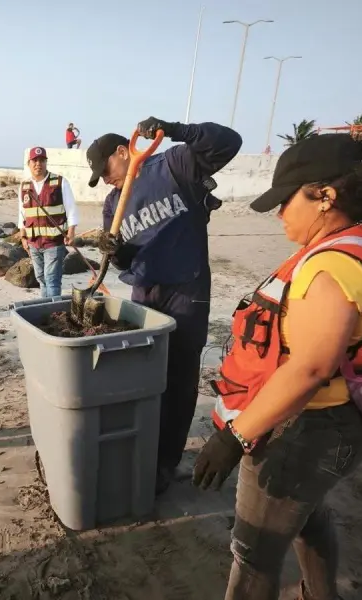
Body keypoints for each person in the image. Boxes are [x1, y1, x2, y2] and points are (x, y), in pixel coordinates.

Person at [193, 134, 362, 599]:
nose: (280, 213)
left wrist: (234, 436)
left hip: (307, 431)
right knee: (306, 517)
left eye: (286, 200)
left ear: (325, 196)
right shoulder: (342, 248)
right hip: (321, 425)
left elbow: (310, 369)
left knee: (254, 552)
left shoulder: (333, 269)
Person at [88, 117, 242, 494]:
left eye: (104, 169)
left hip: (187, 287)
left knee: (179, 379)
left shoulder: (174, 165)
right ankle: (142, 447)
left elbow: (229, 142)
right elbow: (125, 261)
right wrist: (117, 250)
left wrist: (177, 129)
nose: (104, 179)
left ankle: (165, 462)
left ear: (124, 151)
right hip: (145, 292)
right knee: (145, 375)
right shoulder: (113, 204)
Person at [18, 147, 79, 298]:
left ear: (46, 162)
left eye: (42, 160)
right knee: (41, 280)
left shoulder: (59, 182)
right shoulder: (24, 187)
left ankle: (54, 311)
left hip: (53, 242)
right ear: (29, 163)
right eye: (35, 160)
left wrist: (71, 232)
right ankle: (45, 309)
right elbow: (22, 213)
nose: (38, 164)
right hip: (33, 243)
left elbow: (71, 209)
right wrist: (23, 237)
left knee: (51, 279)